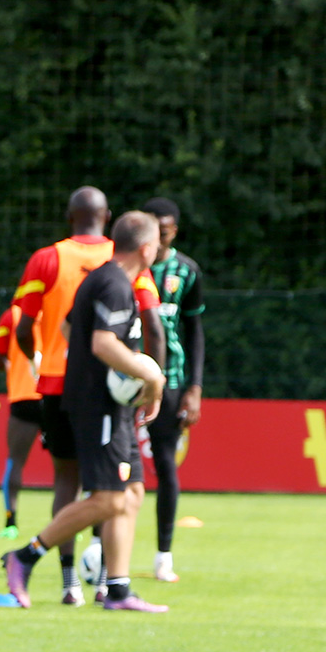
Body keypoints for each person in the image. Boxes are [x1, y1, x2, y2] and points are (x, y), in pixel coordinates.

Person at [1, 211, 168, 613]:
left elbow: (67, 330)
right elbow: (102, 343)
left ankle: (119, 589)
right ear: (146, 248)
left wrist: (111, 377)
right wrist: (151, 376)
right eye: (157, 243)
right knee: (109, 499)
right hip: (98, 408)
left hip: (108, 403)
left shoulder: (103, 278)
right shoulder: (113, 283)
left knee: (132, 492)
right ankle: (24, 557)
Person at [140, 197, 204, 582]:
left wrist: (195, 387)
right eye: (152, 225)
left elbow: (195, 334)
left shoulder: (187, 271)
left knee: (165, 464)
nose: (159, 234)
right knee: (116, 468)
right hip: (125, 382)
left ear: (174, 230)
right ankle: (99, 550)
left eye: (165, 228)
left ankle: (164, 555)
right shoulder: (128, 266)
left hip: (172, 382)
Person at [0, 302, 42, 539]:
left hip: (24, 397)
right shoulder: (63, 309)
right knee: (70, 464)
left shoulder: (14, 314)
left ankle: (10, 522)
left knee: (15, 461)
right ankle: (72, 520)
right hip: (56, 393)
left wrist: (8, 365)